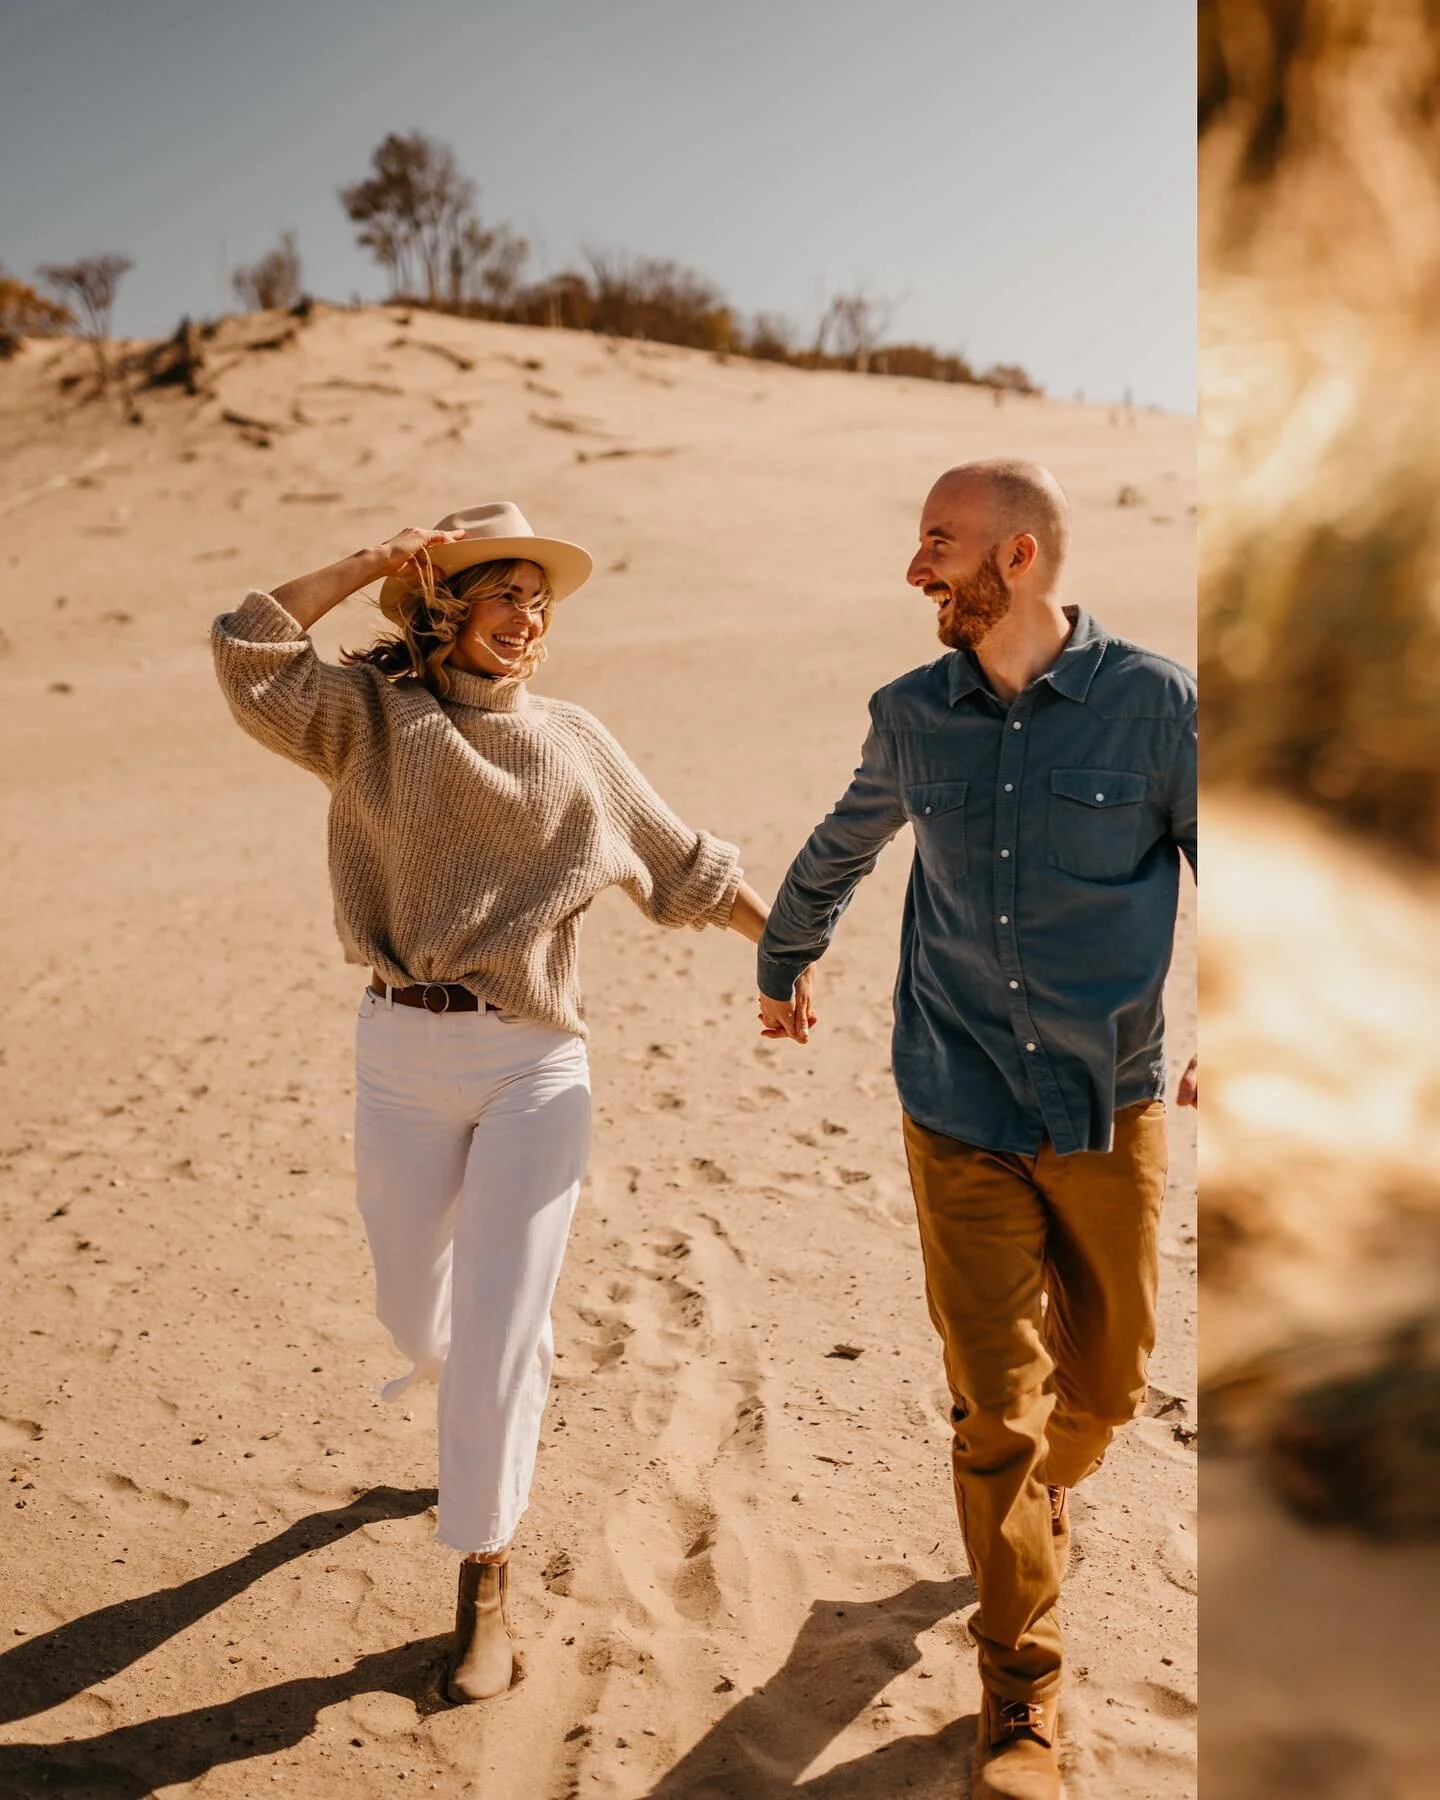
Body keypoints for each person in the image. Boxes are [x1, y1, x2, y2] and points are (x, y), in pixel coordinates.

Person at [212, 502, 771, 1705]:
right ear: (445, 606)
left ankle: (485, 1573)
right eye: (504, 592)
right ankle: (475, 1397)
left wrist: (781, 951)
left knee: (503, 1332)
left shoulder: (572, 739)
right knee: (417, 1318)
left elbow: (682, 864)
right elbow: (250, 651)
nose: (527, 617)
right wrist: (370, 561)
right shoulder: (370, 719)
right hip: (397, 1052)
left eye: (539, 600)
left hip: (533, 1063)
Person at [755, 460, 1197, 1799]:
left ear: (1018, 558)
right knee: (995, 1411)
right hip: (954, 1100)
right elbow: (843, 842)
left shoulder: (1157, 706)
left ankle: (1050, 1491)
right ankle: (1022, 1699)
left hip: (1108, 1102)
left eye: (938, 543)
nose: (915, 570)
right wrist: (784, 957)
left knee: (1107, 1387)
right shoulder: (911, 714)